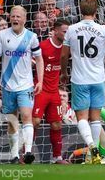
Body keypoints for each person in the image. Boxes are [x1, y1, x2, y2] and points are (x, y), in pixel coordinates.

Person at [60, 0, 105, 164]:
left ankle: (92, 146)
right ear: (96, 12)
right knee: (96, 118)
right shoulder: (103, 30)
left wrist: (64, 72)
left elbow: (64, 55)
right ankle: (95, 154)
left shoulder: (71, 29)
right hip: (98, 79)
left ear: (80, 10)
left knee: (82, 118)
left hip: (79, 79)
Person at [0, 6, 44, 164]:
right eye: (13, 16)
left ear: (24, 19)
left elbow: (39, 59)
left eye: (18, 16)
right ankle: (14, 154)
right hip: (7, 85)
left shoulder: (32, 37)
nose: (15, 19)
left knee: (27, 116)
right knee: (12, 121)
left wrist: (39, 80)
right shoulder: (2, 35)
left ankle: (28, 151)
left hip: (25, 85)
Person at [32, 19, 69, 164]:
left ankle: (57, 157)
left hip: (54, 91)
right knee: (34, 122)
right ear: (55, 31)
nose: (67, 34)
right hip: (41, 90)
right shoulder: (43, 46)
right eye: (64, 31)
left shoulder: (67, 48)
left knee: (57, 124)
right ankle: (25, 154)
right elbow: (31, 60)